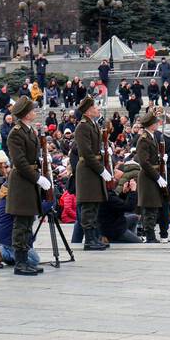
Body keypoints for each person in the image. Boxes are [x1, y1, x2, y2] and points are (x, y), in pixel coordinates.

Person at [5, 96, 50, 275]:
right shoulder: (16, 132)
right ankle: (20, 262)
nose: (35, 112)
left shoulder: (30, 131)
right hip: (23, 181)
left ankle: (25, 260)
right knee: (21, 224)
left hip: (29, 181)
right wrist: (37, 178)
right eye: (32, 109)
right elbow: (20, 162)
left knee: (28, 222)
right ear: (25, 113)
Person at [73, 95, 111, 250]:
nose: (98, 109)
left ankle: (94, 237)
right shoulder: (83, 126)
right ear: (88, 111)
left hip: (93, 168)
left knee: (94, 205)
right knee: (88, 205)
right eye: (95, 107)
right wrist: (101, 169)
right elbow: (87, 153)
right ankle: (89, 240)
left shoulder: (92, 124)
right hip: (88, 170)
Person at [134, 110, 169, 241]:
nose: (158, 124)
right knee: (149, 208)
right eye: (156, 122)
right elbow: (144, 162)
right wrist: (157, 177)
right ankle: (150, 236)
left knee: (154, 207)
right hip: (148, 177)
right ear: (151, 125)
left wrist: (161, 159)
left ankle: (151, 235)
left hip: (153, 175)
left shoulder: (151, 136)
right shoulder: (144, 139)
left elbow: (152, 158)